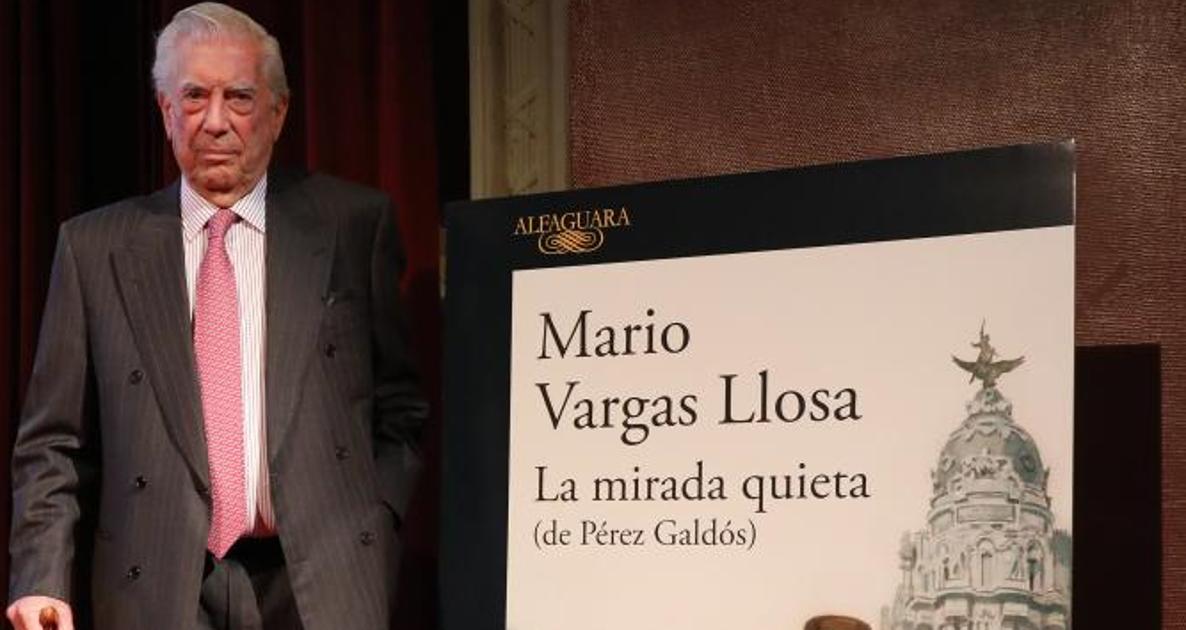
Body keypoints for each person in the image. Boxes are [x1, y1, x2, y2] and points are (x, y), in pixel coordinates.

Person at [5, 3, 427, 629]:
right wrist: (42, 577)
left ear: (278, 113)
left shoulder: (352, 226)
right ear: (165, 111)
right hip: (156, 585)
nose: (216, 121)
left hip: (322, 583)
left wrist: (376, 520)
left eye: (240, 97)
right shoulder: (94, 248)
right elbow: (54, 443)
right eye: (195, 96)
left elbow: (401, 408)